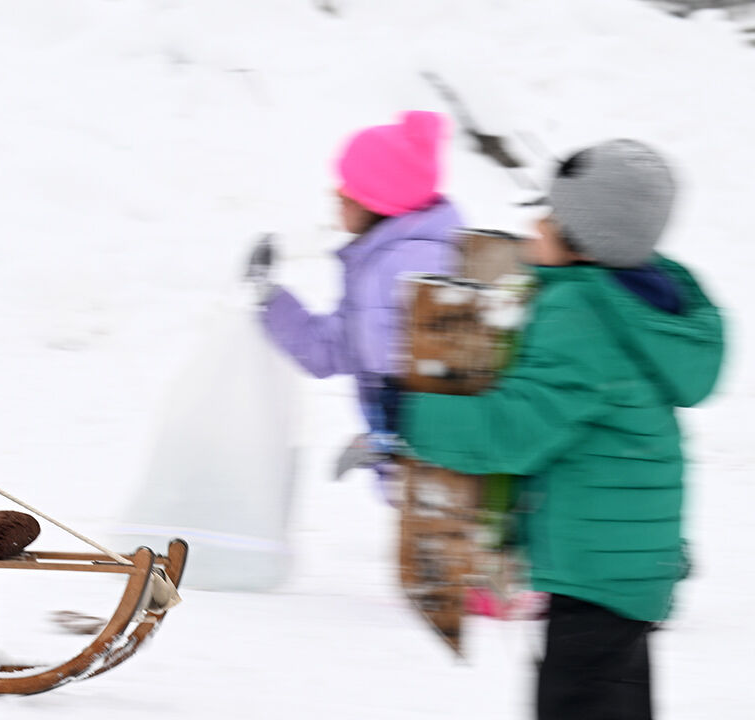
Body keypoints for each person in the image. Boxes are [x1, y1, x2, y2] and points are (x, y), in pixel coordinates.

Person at [399, 140, 724, 718]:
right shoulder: (632, 298)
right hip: (621, 568)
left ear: (584, 242)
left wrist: (408, 413)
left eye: (551, 216)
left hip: (595, 581)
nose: (536, 223)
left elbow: (512, 430)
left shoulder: (582, 317)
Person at [246, 110, 463, 484]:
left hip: (442, 485)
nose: (337, 195)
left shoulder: (412, 269)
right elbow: (331, 349)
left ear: (376, 203)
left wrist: (382, 440)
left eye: (346, 190)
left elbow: (432, 384)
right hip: (419, 482)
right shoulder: (378, 265)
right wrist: (270, 297)